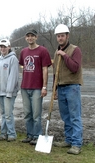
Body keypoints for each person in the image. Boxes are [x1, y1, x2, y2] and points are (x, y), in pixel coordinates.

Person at [52, 24, 83, 155]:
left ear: (67, 36)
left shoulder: (75, 50)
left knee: (75, 116)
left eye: (62, 36)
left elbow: (74, 67)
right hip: (61, 87)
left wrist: (64, 55)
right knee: (66, 117)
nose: (60, 38)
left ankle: (76, 144)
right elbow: (55, 72)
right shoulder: (56, 52)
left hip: (72, 87)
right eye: (58, 36)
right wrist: (54, 89)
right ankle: (68, 139)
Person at [19, 29, 52, 145]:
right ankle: (30, 135)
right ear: (25, 38)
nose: (30, 38)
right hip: (25, 87)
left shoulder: (42, 51)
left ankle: (37, 136)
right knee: (27, 113)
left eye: (32, 36)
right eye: (28, 36)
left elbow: (45, 69)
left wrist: (44, 86)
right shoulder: (23, 52)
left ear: (36, 37)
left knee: (36, 114)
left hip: (37, 88)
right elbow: (23, 67)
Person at [0, 39, 19, 142]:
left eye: (4, 46)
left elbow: (13, 76)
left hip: (8, 92)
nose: (2, 48)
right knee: (3, 114)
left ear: (9, 47)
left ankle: (12, 134)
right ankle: (3, 133)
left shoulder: (13, 59)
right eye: (1, 47)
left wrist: (9, 92)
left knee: (8, 114)